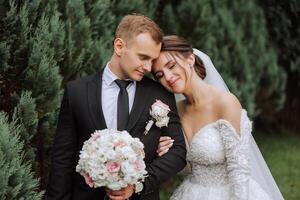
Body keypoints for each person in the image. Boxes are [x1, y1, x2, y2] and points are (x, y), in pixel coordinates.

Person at [46, 15, 186, 200]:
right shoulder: (77, 92)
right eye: (143, 57)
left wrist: (139, 184)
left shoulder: (159, 94)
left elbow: (178, 152)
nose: (148, 67)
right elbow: (62, 158)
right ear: (119, 46)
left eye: (152, 60)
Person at [153, 35, 284, 200]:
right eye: (159, 75)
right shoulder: (175, 111)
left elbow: (239, 170)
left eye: (171, 66)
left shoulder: (225, 103)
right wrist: (167, 152)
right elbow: (188, 167)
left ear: (190, 59)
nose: (168, 77)